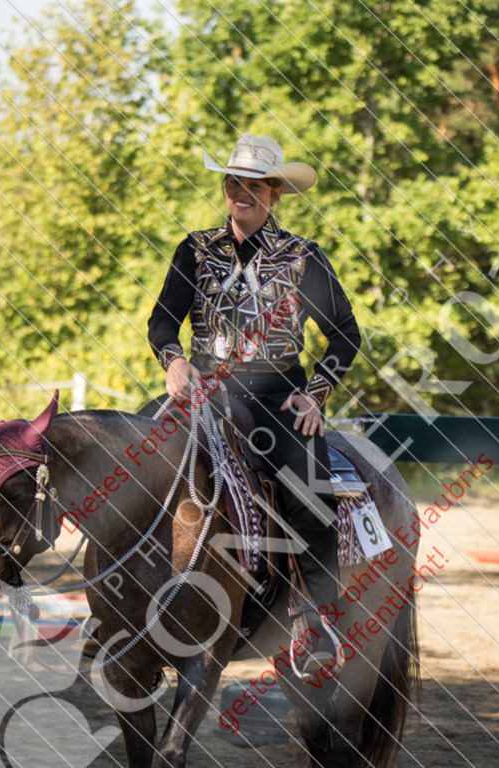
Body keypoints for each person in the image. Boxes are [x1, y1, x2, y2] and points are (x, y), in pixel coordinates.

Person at [148, 133, 361, 675]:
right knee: (135, 453)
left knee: (309, 488)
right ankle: (118, 594)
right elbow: (162, 320)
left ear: (275, 193)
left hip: (277, 397)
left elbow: (345, 334)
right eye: (233, 182)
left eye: (255, 185)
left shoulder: (303, 257)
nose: (240, 193)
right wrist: (173, 360)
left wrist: (315, 395)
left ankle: (318, 618)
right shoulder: (195, 249)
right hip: (204, 391)